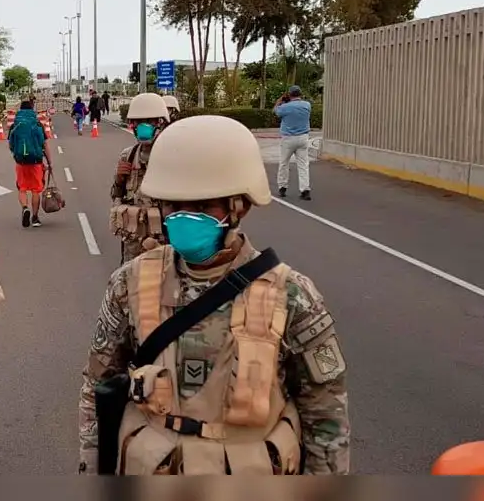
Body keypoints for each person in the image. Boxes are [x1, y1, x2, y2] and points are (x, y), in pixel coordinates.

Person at [78, 114, 349, 475]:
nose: (184, 218)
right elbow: (97, 385)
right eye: (174, 207)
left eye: (204, 207)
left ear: (240, 207)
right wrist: (90, 467)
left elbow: (325, 416)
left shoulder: (293, 295)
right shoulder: (128, 284)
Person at [110, 93, 170, 264]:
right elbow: (116, 196)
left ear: (160, 122)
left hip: (164, 242)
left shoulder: (172, 156)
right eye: (137, 122)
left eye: (149, 121)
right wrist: (120, 179)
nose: (142, 126)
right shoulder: (128, 155)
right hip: (133, 242)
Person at [9, 99, 53, 228]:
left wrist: (16, 154)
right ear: (32, 109)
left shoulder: (15, 124)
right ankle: (35, 217)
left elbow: (11, 144)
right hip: (36, 162)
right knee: (35, 190)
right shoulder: (37, 124)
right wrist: (49, 162)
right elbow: (44, 144)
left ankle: (24, 207)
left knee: (22, 188)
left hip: (20, 161)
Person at [274, 85, 313, 200]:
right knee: (303, 165)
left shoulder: (285, 107)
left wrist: (280, 101)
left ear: (290, 95)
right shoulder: (307, 105)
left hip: (288, 138)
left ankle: (282, 187)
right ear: (300, 94)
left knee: (284, 163)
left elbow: (276, 111)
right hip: (303, 137)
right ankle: (305, 189)